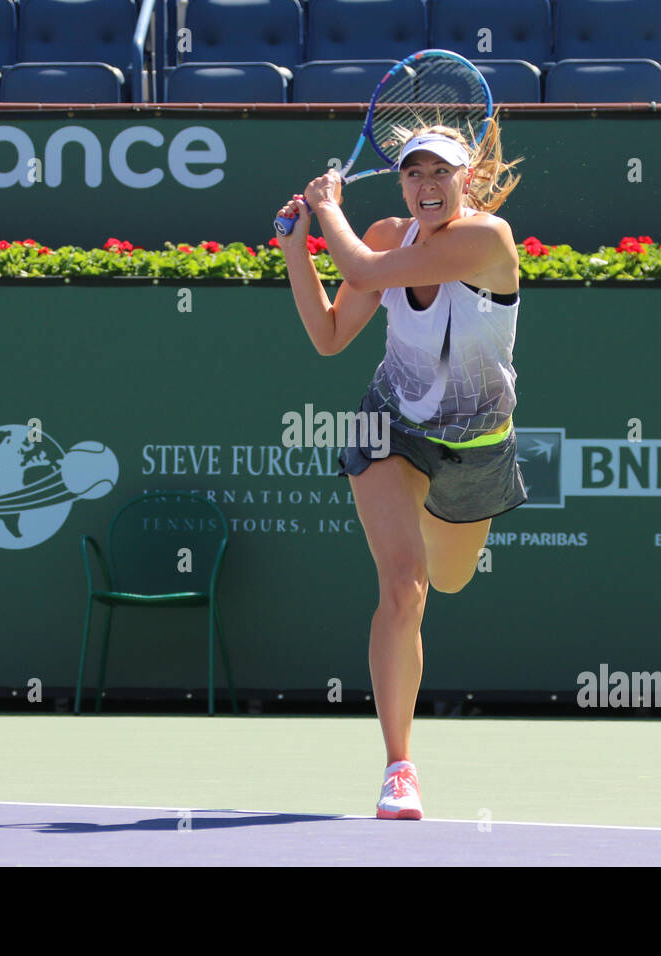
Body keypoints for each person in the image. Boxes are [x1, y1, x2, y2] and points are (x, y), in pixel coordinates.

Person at [275, 120, 526, 820]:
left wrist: (326, 208)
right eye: (413, 173)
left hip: (476, 445)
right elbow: (329, 336)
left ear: (465, 181)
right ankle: (399, 768)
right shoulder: (384, 235)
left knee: (449, 578)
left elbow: (358, 270)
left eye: (440, 172)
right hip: (390, 425)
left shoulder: (488, 241)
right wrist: (299, 250)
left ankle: (432, 529)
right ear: (401, 182)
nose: (426, 185)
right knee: (405, 586)